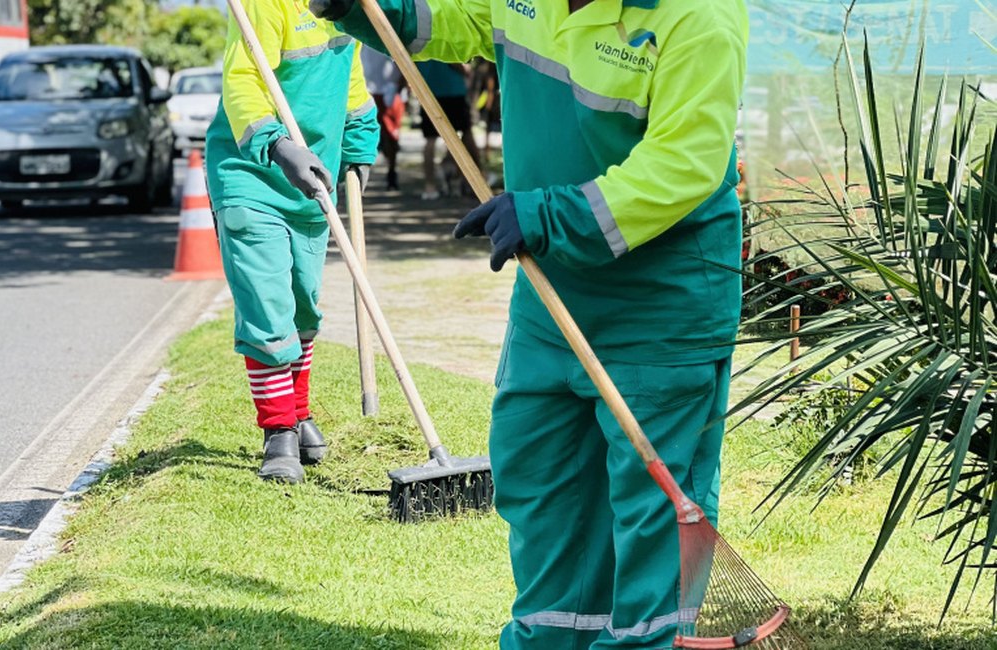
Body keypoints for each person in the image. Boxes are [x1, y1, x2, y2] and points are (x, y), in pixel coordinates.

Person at [309, 0, 749, 646]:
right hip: (552, 288)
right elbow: (453, 16)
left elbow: (684, 164)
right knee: (539, 477)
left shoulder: (699, 16)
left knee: (651, 515)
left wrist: (548, 215)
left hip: (663, 303)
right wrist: (368, 8)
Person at [205, 0, 379, 484]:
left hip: (312, 181)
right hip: (251, 174)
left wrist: (362, 139)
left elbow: (352, 79)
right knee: (267, 302)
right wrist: (279, 147)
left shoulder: (346, 6)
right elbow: (241, 81)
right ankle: (278, 429)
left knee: (304, 303)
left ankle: (298, 411)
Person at [415, 60, 479, 200]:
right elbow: (454, 61)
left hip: (428, 90)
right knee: (466, 134)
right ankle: (477, 180)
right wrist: (467, 71)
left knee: (430, 140)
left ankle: (429, 185)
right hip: (453, 90)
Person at [360, 45, 406, 190]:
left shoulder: (392, 27)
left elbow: (405, 58)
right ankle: (358, 179)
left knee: (392, 136)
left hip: (390, 90)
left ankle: (392, 172)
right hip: (368, 90)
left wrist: (400, 85)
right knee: (365, 134)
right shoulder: (355, 27)